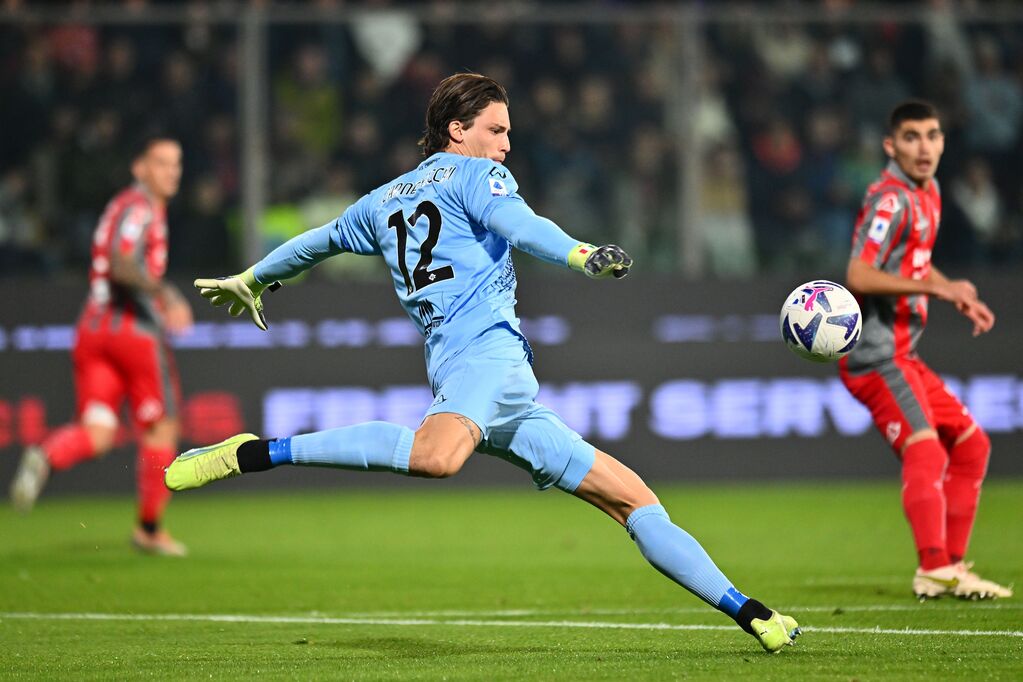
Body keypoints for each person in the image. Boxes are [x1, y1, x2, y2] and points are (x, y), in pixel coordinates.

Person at [165, 73, 801, 652]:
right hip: (484, 363)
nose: (505, 145)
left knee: (634, 502)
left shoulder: (382, 201)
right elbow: (521, 226)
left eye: (508, 133)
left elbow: (314, 243)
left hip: (487, 382)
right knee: (436, 457)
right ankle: (259, 452)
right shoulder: (476, 176)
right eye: (495, 130)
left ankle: (754, 615)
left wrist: (255, 276)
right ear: (456, 131)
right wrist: (582, 255)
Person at [841, 100, 1011, 600]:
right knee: (926, 447)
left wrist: (950, 288)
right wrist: (935, 291)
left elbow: (913, 263)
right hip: (876, 357)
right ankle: (933, 566)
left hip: (903, 355)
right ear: (891, 146)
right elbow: (859, 274)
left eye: (933, 135)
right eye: (911, 137)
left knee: (972, 443)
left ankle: (951, 567)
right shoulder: (890, 201)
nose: (925, 147)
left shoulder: (929, 191)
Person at [10, 136, 193, 557]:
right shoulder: (140, 208)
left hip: (92, 329)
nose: (171, 172)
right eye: (161, 163)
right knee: (162, 427)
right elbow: (120, 261)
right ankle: (149, 529)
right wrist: (167, 295)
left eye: (176, 164)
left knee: (99, 432)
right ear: (139, 167)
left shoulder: (123, 206)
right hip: (130, 329)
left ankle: (46, 454)